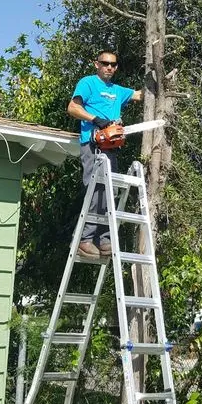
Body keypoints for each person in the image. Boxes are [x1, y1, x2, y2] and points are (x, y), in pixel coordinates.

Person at [67, 50, 144, 258]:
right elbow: (72, 108)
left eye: (113, 64)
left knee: (111, 191)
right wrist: (96, 120)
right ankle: (85, 239)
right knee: (95, 190)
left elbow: (139, 95)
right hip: (93, 145)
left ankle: (104, 239)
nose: (109, 67)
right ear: (97, 64)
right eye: (105, 63)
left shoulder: (118, 91)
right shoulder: (88, 83)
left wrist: (155, 80)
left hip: (111, 147)